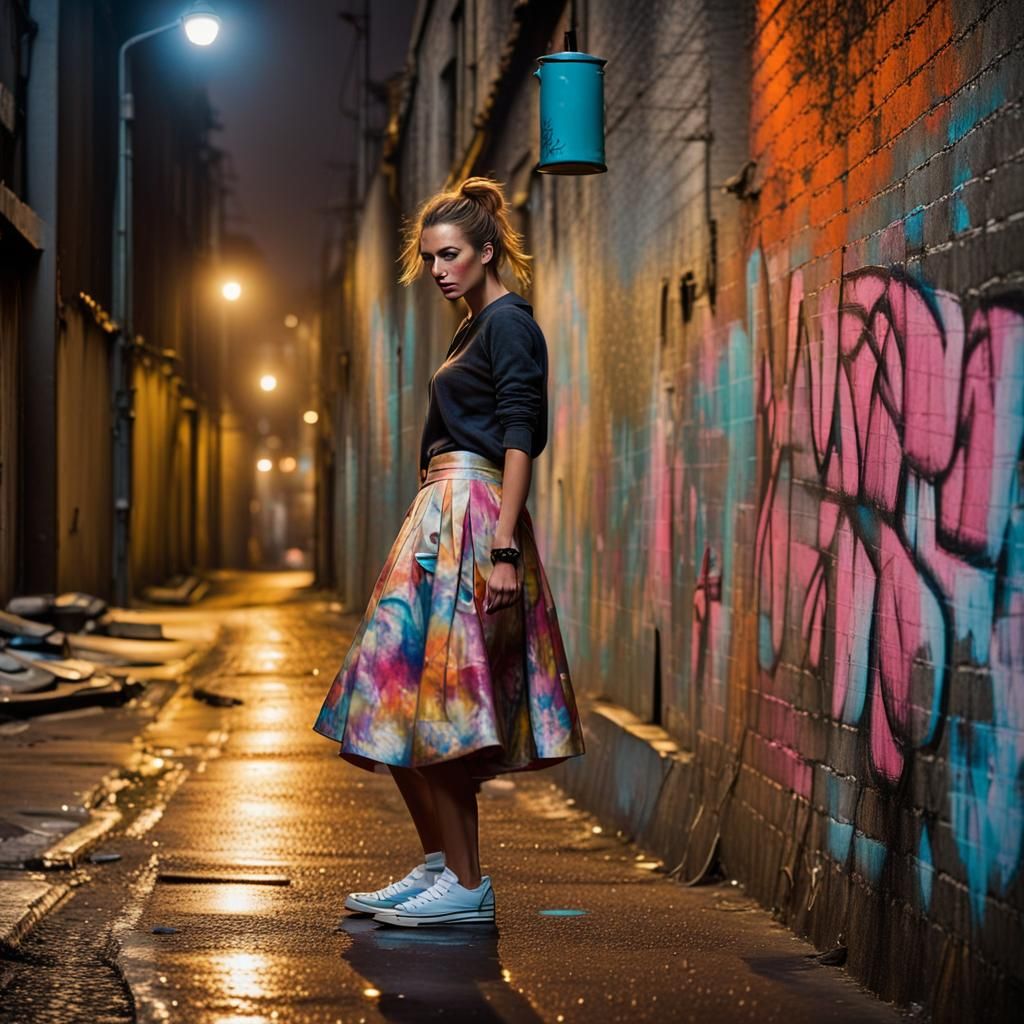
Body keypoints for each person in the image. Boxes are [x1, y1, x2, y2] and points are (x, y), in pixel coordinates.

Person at [312, 176, 584, 928]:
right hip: (440, 517)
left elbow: (521, 436)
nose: (437, 269)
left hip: (474, 519)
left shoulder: (508, 324)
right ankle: (439, 866)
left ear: (486, 251)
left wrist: (503, 550)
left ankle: (466, 886)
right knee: (387, 699)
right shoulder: (470, 327)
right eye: (430, 256)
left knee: (443, 705)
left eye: (451, 254)